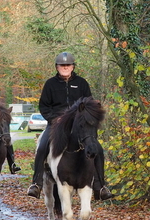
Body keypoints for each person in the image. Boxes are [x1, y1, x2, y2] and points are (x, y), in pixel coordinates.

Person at [27, 52, 112, 200]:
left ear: (73, 67)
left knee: (97, 147)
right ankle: (36, 183)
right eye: (62, 65)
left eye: (68, 65)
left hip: (78, 125)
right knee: (42, 147)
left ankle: (100, 186)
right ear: (57, 67)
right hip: (56, 124)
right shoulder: (50, 84)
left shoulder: (82, 83)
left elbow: (89, 105)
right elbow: (44, 106)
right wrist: (54, 119)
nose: (65, 67)